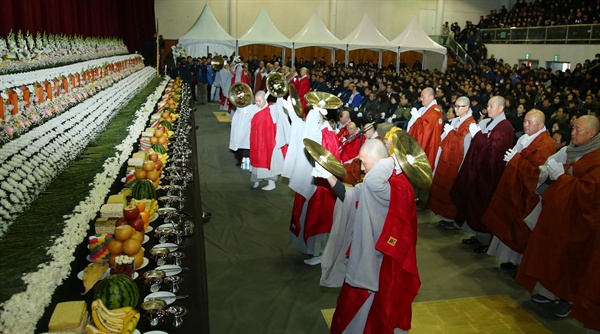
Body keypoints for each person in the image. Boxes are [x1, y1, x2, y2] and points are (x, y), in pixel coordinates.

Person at [316, 139, 420, 333]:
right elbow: (352, 196)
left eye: (364, 162)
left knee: (372, 306)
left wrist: (388, 160)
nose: (362, 169)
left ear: (381, 162)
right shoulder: (383, 180)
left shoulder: (395, 185)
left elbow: (371, 184)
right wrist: (329, 177)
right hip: (370, 253)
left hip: (381, 260)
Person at [516, 115, 600, 324]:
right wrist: (560, 174)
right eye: (573, 128)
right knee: (554, 252)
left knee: (571, 258)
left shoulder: (597, 158)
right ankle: (549, 291)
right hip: (563, 212)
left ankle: (566, 297)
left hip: (582, 219)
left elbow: (588, 191)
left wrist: (562, 178)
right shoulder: (574, 150)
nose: (572, 133)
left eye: (578, 130)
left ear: (591, 134)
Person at [484, 109, 555, 269]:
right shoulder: (525, 137)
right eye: (525, 121)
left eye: (530, 122)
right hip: (514, 187)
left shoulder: (545, 144)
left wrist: (515, 160)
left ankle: (519, 264)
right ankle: (511, 261)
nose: (526, 125)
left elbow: (536, 172)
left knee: (520, 228)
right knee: (508, 223)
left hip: (528, 194)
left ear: (541, 124)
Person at [451, 96, 514, 253]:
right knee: (474, 201)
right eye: (488, 105)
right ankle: (477, 236)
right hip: (479, 171)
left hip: (489, 175)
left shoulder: (504, 127)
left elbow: (493, 151)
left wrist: (478, 136)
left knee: (483, 204)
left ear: (501, 108)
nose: (489, 108)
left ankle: (484, 239)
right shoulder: (490, 122)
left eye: (492, 106)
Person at [282, 99, 340, 265]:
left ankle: (321, 252)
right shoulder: (319, 130)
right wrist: (292, 112)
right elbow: (303, 130)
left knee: (318, 217)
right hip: (311, 181)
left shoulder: (328, 136)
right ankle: (310, 248)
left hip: (321, 187)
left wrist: (316, 110)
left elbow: (311, 136)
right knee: (307, 214)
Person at [427, 96, 476, 229]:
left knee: (452, 188)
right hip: (446, 159)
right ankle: (444, 216)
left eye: (459, 106)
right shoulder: (457, 121)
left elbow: (461, 145)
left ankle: (452, 219)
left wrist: (451, 134)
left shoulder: (470, 124)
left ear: (467, 108)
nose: (456, 109)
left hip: (457, 163)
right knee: (443, 186)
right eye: (455, 106)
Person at [249, 91, 285, 191]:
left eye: (259, 101)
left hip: (267, 141)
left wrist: (279, 95)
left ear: (265, 99)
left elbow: (281, 107)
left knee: (268, 160)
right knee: (256, 159)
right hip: (256, 140)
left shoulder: (272, 109)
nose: (257, 103)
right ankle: (256, 180)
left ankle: (271, 182)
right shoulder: (253, 108)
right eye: (256, 101)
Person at [406, 87, 443, 170]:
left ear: (431, 97)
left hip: (427, 147)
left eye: (423, 97)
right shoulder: (427, 109)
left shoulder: (434, 113)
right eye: (421, 97)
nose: (421, 99)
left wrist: (418, 119)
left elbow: (425, 133)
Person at [229, 95, 261, 167]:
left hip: (246, 130)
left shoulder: (252, 108)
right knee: (241, 144)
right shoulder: (245, 108)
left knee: (244, 144)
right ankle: (240, 158)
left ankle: (243, 161)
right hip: (241, 128)